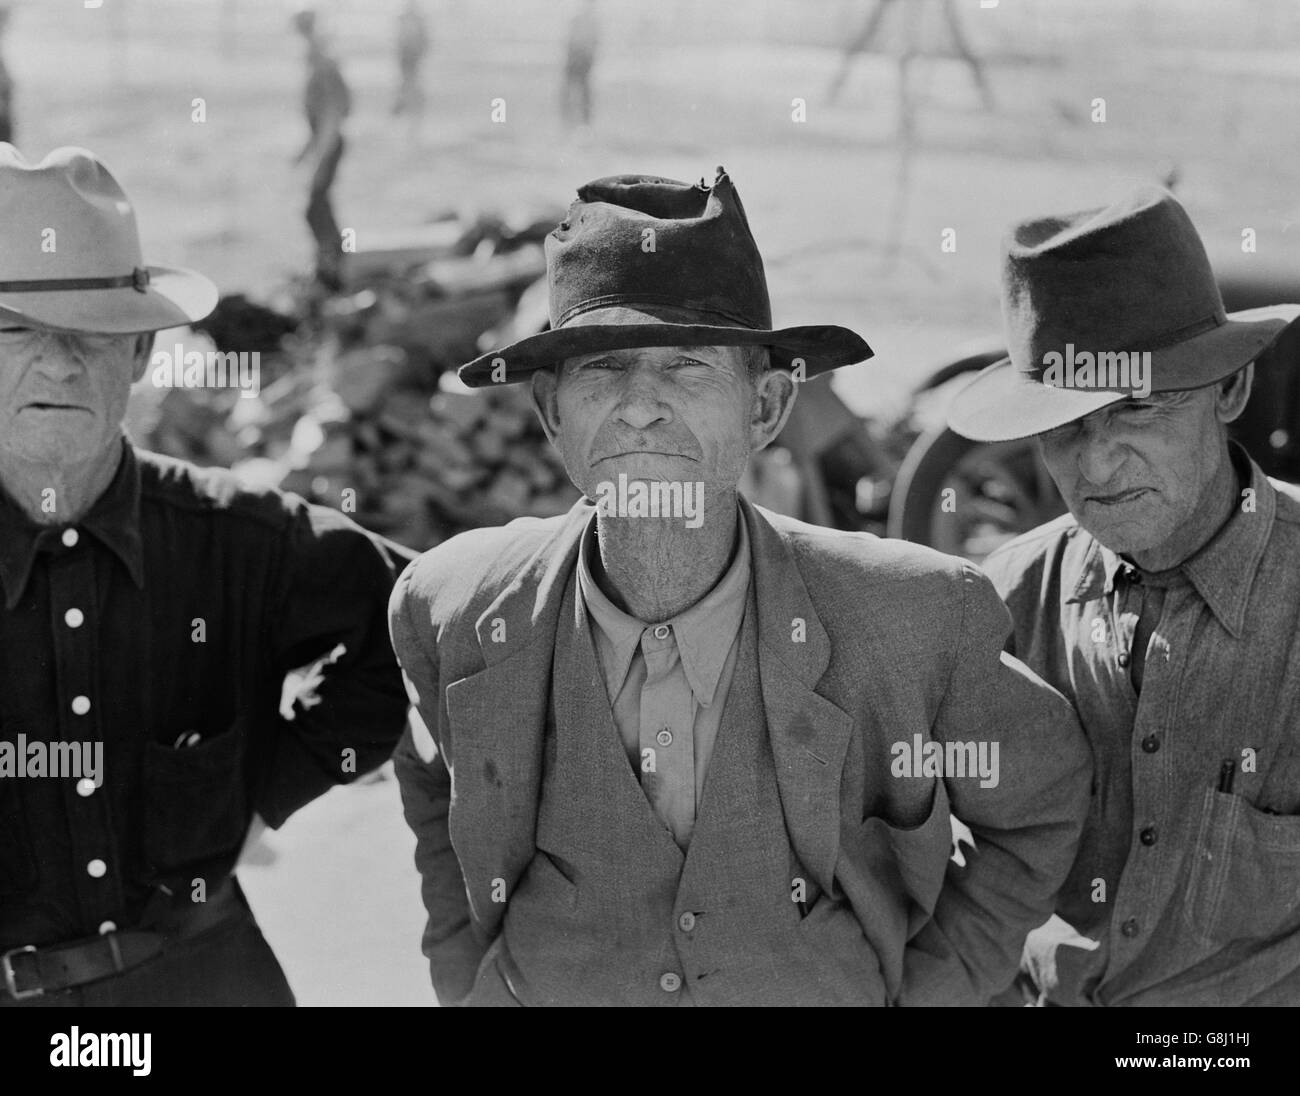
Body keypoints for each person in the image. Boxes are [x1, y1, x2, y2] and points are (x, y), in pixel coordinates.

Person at [390, 167, 1092, 1007]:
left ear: (766, 407)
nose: (640, 406)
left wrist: (926, 990)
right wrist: (468, 978)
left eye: (686, 366)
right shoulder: (454, 608)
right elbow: (437, 788)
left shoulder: (913, 618)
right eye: (602, 367)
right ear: (551, 411)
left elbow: (1040, 807)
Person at [0, 145, 411, 1006]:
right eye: (16, 329)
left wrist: (269, 784)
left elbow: (417, 619)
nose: (60, 362)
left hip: (207, 978)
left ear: (145, 352)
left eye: (96, 332)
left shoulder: (240, 538)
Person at [948, 186, 1300, 1006]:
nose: (1098, 465)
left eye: (1137, 407)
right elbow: (956, 878)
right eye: (1064, 423)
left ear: (1230, 393)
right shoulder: (1001, 604)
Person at [291, 8, 351, 290]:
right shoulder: (320, 65)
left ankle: (333, 264)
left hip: (331, 145)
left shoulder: (323, 68)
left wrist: (320, 158)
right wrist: (306, 151)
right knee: (319, 205)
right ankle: (331, 262)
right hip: (327, 144)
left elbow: (331, 116)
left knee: (315, 208)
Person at [560, 0, 598, 128]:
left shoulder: (588, 20)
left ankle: (580, 119)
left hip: (581, 58)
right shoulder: (583, 19)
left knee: (580, 90)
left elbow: (592, 42)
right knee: (575, 89)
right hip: (578, 58)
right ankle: (573, 118)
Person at [392, 0, 431, 122]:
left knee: (409, 79)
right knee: (408, 79)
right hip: (408, 54)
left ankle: (406, 103)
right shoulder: (408, 19)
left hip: (410, 54)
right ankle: (408, 102)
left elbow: (423, 39)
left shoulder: (411, 20)